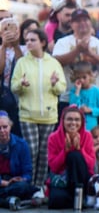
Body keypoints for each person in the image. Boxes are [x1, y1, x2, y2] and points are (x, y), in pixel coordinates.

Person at [11, 28, 66, 197]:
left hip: (49, 115)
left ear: (42, 42)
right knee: (31, 151)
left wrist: (55, 84)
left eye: (32, 40)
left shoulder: (53, 62)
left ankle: (39, 187)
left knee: (44, 154)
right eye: (27, 40)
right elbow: (13, 87)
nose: (28, 43)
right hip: (28, 114)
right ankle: (28, 185)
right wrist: (21, 84)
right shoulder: (22, 62)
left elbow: (61, 88)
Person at [52, 8, 99, 109]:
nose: (82, 23)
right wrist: (77, 50)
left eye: (85, 20)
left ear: (90, 23)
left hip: (94, 99)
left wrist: (91, 54)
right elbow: (55, 63)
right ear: (72, 24)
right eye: (78, 21)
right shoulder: (62, 42)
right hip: (68, 98)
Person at [46, 105, 95, 209]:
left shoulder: (87, 136)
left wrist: (80, 149)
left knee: (75, 156)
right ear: (63, 121)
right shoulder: (53, 137)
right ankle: (75, 199)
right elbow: (54, 167)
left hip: (81, 179)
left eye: (77, 120)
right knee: (56, 201)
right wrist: (65, 151)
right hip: (62, 179)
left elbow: (91, 165)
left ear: (82, 122)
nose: (73, 123)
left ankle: (80, 195)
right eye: (69, 119)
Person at [0, 112, 40, 207]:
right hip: (2, 182)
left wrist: (22, 179)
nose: (2, 131)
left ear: (10, 126)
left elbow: (28, 172)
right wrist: (4, 183)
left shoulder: (21, 144)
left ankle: (6, 200)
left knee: (22, 186)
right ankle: (9, 201)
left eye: (5, 127)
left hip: (14, 183)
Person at [68, 62, 99, 131]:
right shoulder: (74, 91)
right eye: (78, 78)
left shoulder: (97, 91)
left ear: (90, 76)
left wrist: (91, 110)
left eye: (84, 77)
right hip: (77, 128)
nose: (82, 80)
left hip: (91, 128)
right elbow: (72, 107)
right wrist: (77, 91)